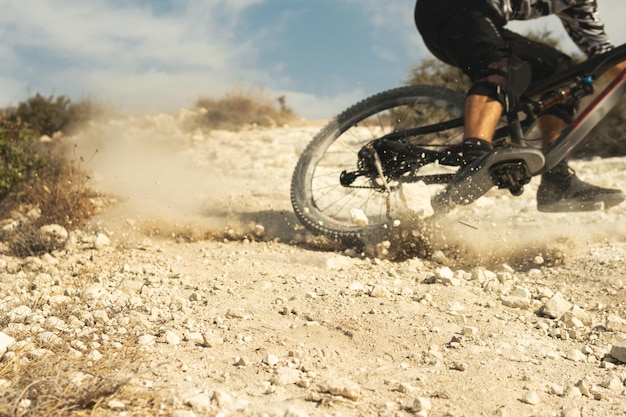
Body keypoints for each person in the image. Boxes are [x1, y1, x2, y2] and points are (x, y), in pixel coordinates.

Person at [414, 0, 626, 212]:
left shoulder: (581, 5)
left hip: (481, 19)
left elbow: (604, 54)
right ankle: (475, 157)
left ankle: (556, 180)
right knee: (502, 67)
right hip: (448, 8)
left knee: (561, 72)